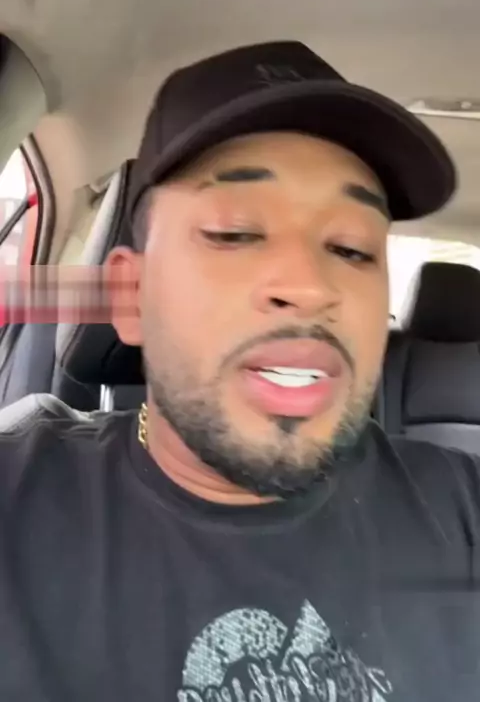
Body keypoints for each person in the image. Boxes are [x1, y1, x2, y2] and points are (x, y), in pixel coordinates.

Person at [0, 40, 478, 702]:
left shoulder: (463, 510)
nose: (310, 286)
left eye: (352, 248)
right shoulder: (18, 505)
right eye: (235, 233)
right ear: (131, 296)